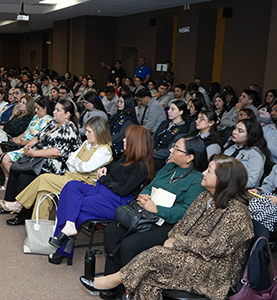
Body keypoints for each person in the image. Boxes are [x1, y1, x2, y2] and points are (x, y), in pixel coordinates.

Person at [81, 155, 254, 300]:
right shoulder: (205, 198)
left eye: (209, 171)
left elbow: (215, 247)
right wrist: (174, 240)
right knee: (149, 277)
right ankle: (117, 284)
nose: (203, 172)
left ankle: (113, 281)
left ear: (223, 179)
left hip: (215, 272)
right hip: (191, 256)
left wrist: (177, 243)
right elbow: (183, 224)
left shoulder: (237, 213)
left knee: (156, 256)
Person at [101, 136, 208, 277]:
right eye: (173, 146)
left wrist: (157, 209)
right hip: (147, 215)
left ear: (189, 157)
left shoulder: (197, 180)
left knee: (129, 245)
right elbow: (150, 187)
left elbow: (187, 213)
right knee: (111, 231)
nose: (171, 150)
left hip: (169, 225)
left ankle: (127, 288)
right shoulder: (169, 167)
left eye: (176, 149)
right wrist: (142, 196)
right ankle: (110, 280)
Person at [48, 126, 154, 265]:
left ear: (135, 142)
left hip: (116, 201)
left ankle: (62, 248)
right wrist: (105, 168)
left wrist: (103, 179)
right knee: (70, 186)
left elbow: (122, 190)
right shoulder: (128, 156)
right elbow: (115, 168)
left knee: (74, 206)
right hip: (103, 190)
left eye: (127, 138)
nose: (123, 139)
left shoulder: (141, 167)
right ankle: (69, 226)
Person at [0, 116, 112, 222]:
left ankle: (19, 204)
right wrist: (78, 164)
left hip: (84, 185)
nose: (85, 134)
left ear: (99, 132)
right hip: (70, 176)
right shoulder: (86, 143)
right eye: (86, 130)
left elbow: (84, 168)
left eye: (89, 132)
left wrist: (77, 163)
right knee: (43, 193)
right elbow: (69, 159)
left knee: (44, 179)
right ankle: (37, 230)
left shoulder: (104, 151)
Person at [0, 99, 81, 225]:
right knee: (15, 169)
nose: (54, 112)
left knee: (24, 177)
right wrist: (28, 147)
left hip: (55, 165)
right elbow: (38, 137)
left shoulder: (69, 129)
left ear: (67, 114)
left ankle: (22, 215)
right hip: (39, 159)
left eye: (58, 110)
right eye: (55, 109)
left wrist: (34, 153)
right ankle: (10, 204)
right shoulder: (52, 123)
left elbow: (58, 152)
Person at [0, 97, 54, 189]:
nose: (35, 110)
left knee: (5, 158)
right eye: (35, 108)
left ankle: (16, 183)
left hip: (30, 147)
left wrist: (21, 142)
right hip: (22, 142)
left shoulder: (48, 120)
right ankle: (7, 179)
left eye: (38, 108)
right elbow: (26, 132)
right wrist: (16, 139)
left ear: (45, 108)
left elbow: (38, 140)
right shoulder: (36, 117)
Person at [223, 118, 274, 189]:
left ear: (250, 135)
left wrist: (225, 182)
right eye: (235, 128)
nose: (234, 132)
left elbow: (251, 182)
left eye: (240, 131)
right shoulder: (231, 148)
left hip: (239, 191)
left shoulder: (256, 154)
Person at [152, 101, 191, 170]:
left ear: (181, 112)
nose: (168, 111)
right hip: (152, 153)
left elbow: (170, 150)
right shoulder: (165, 123)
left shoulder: (183, 129)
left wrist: (151, 154)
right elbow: (153, 139)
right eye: (169, 109)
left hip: (164, 158)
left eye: (172, 109)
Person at [109, 94, 138, 159]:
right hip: (111, 144)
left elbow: (120, 135)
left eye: (121, 102)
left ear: (128, 103)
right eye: (118, 101)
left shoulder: (129, 119)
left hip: (119, 149)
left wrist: (106, 140)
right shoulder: (119, 115)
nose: (119, 104)